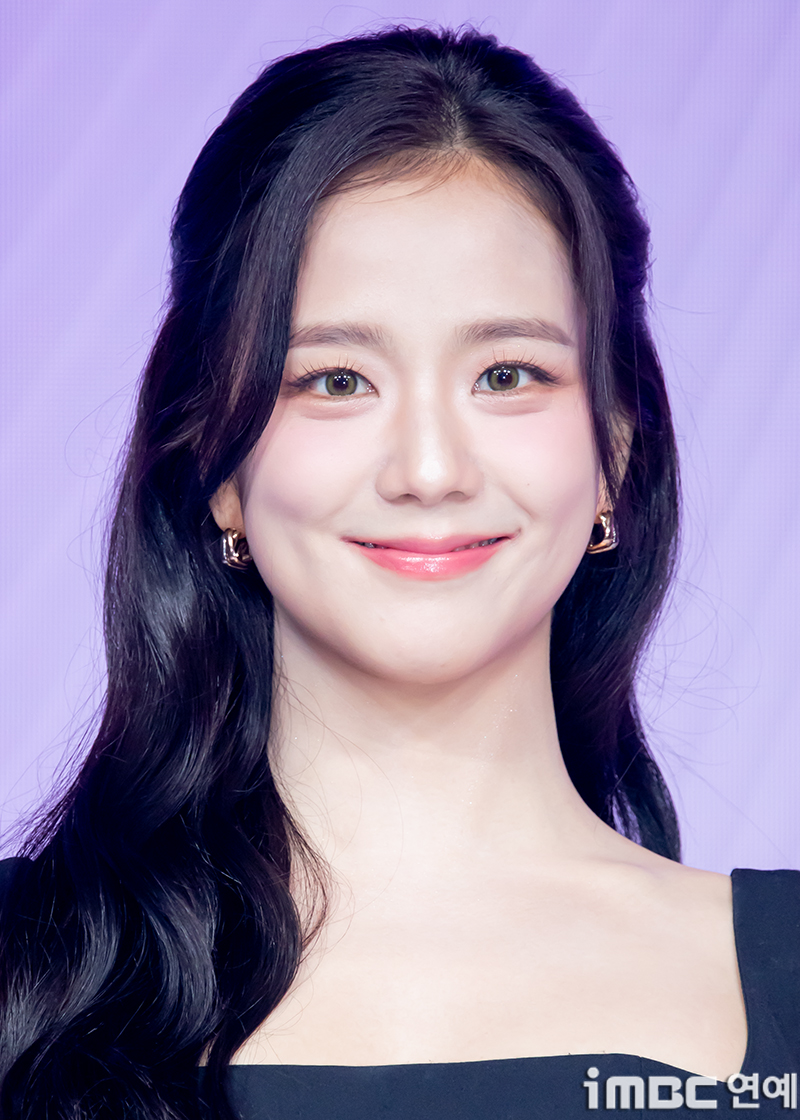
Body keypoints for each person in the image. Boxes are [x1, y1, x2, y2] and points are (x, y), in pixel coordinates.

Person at [1, 24, 798, 1120]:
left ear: (614, 452)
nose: (428, 470)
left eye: (506, 374)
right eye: (335, 380)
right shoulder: (31, 975)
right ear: (219, 466)